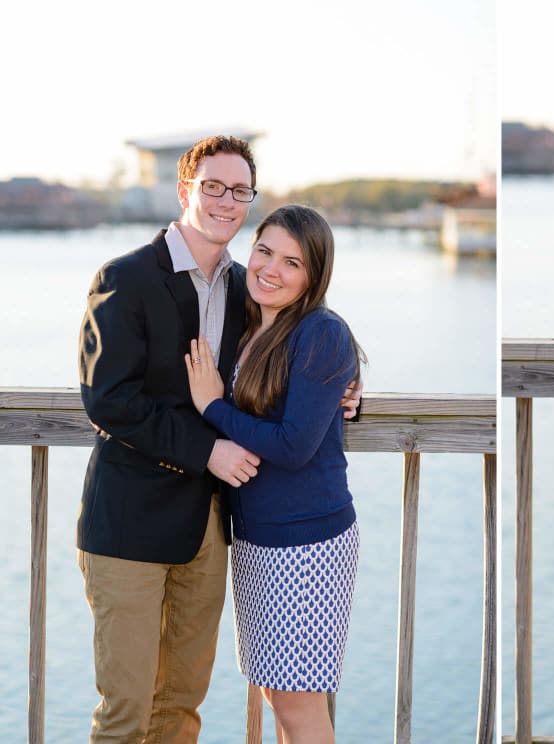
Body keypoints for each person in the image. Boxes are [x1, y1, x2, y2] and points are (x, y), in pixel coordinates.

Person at [76, 134, 346, 743]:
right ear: (185, 190)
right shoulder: (126, 277)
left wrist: (346, 390)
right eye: (213, 187)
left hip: (210, 530)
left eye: (240, 190)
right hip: (130, 524)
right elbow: (108, 400)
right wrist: (208, 449)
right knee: (125, 711)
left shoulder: (243, 289)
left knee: (181, 705)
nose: (227, 201)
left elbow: (294, 354)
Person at [185, 204, 365, 744]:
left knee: (297, 704)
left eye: (292, 262)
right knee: (276, 694)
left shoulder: (321, 331)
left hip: (308, 544)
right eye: (264, 251)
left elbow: (293, 445)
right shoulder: (251, 325)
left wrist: (213, 408)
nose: (271, 269)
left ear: (315, 275)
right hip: (259, 540)